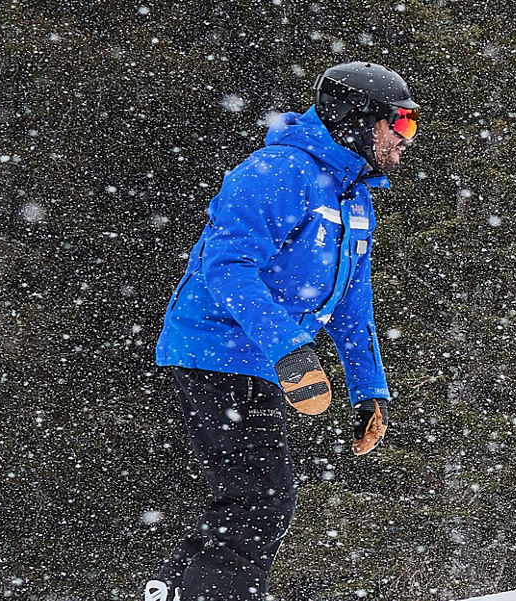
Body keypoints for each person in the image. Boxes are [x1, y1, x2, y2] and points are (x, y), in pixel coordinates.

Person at [145, 61, 414, 601]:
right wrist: (291, 350)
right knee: (259, 500)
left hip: (260, 356)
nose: (407, 139)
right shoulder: (277, 173)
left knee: (254, 499)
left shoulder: (353, 195)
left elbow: (350, 303)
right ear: (358, 120)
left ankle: (174, 591)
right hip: (214, 348)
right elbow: (226, 266)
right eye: (401, 123)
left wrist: (368, 389)